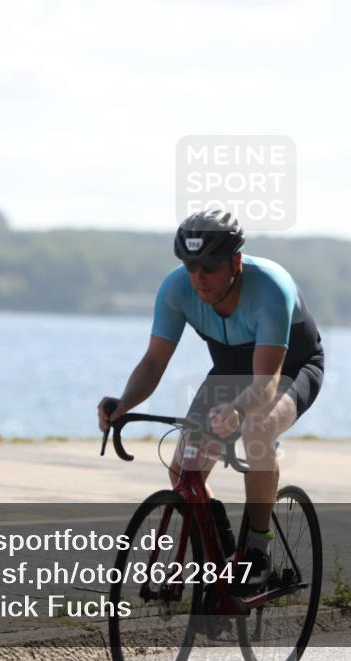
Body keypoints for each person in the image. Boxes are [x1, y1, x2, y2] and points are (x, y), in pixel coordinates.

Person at [98, 208, 324, 586]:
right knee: (183, 470)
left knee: (257, 427)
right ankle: (219, 554)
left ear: (236, 261)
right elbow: (154, 363)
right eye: (191, 266)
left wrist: (237, 410)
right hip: (230, 373)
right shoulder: (177, 289)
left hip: (289, 369)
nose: (199, 277)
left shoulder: (270, 288)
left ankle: (257, 551)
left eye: (210, 266)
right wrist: (123, 404)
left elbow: (266, 384)